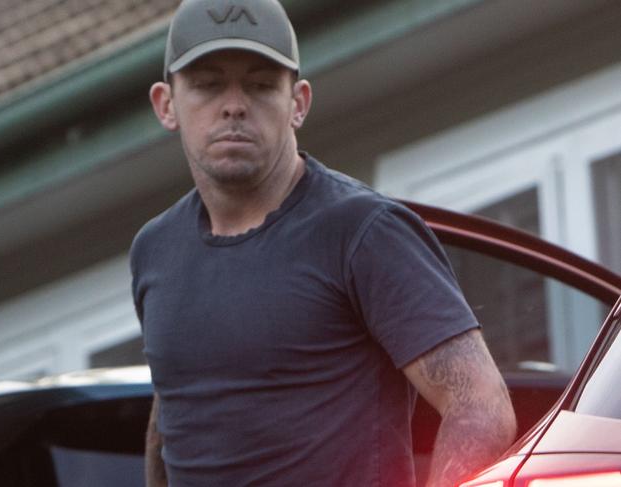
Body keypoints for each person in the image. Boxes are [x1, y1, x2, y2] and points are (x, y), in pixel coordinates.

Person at [130, 0, 517, 486]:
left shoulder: (364, 231)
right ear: (166, 104)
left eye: (260, 84)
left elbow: (480, 404)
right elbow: (170, 421)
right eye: (208, 84)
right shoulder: (155, 252)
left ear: (299, 103)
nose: (234, 104)